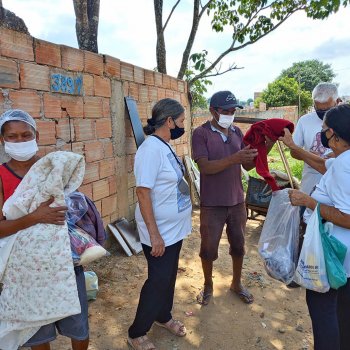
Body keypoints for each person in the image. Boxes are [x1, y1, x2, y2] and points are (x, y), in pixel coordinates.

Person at [0, 109, 89, 350]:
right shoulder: (1, 176)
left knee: (78, 328)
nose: (19, 141)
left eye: (25, 135)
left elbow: (74, 202)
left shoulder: (53, 168)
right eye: (12, 136)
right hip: (27, 271)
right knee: (38, 333)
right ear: (3, 140)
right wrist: (35, 217)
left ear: (36, 136)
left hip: (64, 264)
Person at [279, 104, 350, 350]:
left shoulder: (344, 165)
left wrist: (309, 202)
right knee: (342, 311)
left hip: (334, 255)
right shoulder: (342, 159)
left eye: (325, 131)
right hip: (344, 258)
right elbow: (323, 165)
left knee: (323, 312)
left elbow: (349, 217)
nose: (322, 135)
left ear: (337, 136)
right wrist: (293, 147)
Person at [127, 98, 192, 350]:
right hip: (159, 232)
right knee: (157, 280)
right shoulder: (150, 150)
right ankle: (137, 332)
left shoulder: (164, 145)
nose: (183, 125)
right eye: (182, 121)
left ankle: (163, 316)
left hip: (174, 230)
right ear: (169, 121)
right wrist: (154, 235)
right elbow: (143, 192)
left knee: (168, 276)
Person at [192, 90, 264, 305]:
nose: (230, 114)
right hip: (212, 204)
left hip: (236, 202)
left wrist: (261, 149)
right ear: (213, 111)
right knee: (208, 248)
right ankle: (207, 284)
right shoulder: (201, 133)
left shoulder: (237, 133)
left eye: (233, 111)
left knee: (239, 246)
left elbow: (247, 165)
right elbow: (204, 166)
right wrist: (234, 158)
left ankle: (237, 283)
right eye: (226, 111)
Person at [291, 82, 339, 196]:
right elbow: (294, 151)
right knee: (309, 212)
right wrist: (306, 154)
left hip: (339, 184)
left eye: (327, 110)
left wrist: (339, 155)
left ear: (337, 102)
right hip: (310, 184)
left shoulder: (346, 120)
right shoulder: (304, 121)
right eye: (319, 110)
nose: (323, 115)